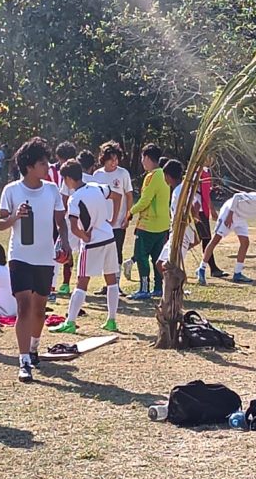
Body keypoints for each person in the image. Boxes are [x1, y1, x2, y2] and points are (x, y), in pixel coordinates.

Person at [0, 137, 70, 382]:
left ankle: (34, 347)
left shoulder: (51, 189)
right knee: (23, 307)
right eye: (42, 163)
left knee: (40, 310)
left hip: (44, 257)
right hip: (19, 256)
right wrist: (14, 217)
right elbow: (0, 223)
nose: (48, 167)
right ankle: (23, 360)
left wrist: (65, 242)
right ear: (29, 166)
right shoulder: (12, 190)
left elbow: (61, 221)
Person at [50, 159, 120, 334]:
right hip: (108, 236)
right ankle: (111, 320)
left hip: (92, 242)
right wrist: (112, 220)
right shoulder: (97, 187)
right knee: (111, 280)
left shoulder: (75, 198)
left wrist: (84, 236)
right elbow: (117, 196)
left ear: (67, 179)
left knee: (82, 281)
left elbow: (73, 227)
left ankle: (70, 322)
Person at [197, 188, 256, 285]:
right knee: (216, 240)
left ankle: (238, 273)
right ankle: (201, 268)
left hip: (240, 217)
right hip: (229, 210)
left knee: (245, 243)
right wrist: (229, 215)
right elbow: (237, 196)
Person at [127, 144, 169, 300]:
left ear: (146, 157)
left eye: (142, 158)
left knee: (141, 256)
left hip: (148, 225)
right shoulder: (164, 174)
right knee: (158, 258)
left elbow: (145, 200)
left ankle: (144, 288)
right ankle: (158, 288)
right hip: (163, 225)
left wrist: (130, 212)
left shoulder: (151, 176)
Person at [92, 141, 133, 293]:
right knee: (104, 253)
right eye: (111, 159)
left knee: (117, 251)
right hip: (101, 222)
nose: (114, 163)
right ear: (104, 159)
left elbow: (129, 196)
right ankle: (107, 284)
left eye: (117, 159)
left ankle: (116, 284)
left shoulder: (123, 174)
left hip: (118, 222)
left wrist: (127, 216)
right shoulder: (97, 175)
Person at [157, 160, 202, 271]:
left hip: (181, 235)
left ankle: (176, 287)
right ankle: (174, 288)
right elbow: (196, 203)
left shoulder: (179, 191)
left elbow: (193, 205)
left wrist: (190, 219)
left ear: (167, 176)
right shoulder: (180, 189)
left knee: (168, 266)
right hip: (176, 234)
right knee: (161, 264)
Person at [50, 141, 78, 296]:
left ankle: (63, 283)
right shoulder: (51, 170)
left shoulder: (73, 173)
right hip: (58, 213)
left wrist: (60, 215)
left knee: (63, 249)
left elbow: (65, 197)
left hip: (65, 216)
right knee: (64, 250)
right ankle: (59, 283)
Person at [196, 164, 226, 277]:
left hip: (200, 209)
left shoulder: (204, 171)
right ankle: (212, 268)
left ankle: (212, 268)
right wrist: (212, 210)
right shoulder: (202, 172)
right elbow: (205, 194)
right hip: (199, 210)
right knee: (205, 239)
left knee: (203, 239)